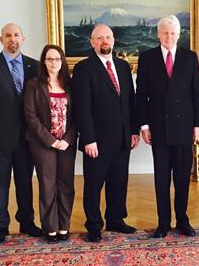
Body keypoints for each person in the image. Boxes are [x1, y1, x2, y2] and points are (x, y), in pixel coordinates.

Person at [0, 23, 43, 244]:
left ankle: (27, 222)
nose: (12, 39)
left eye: (16, 35)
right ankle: (1, 226)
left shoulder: (35, 66)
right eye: (7, 35)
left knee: (25, 183)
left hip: (27, 139)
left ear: (22, 38)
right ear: (0, 39)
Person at [136, 15, 199, 238]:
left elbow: (197, 95)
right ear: (158, 34)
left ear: (179, 34)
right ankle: (163, 223)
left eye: (173, 33)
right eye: (165, 33)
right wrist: (144, 125)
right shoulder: (147, 58)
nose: (169, 37)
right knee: (161, 179)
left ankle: (182, 220)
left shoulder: (190, 57)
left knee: (183, 178)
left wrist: (198, 126)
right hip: (159, 129)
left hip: (184, 130)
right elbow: (141, 96)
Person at [72, 24, 140, 242]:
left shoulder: (122, 66)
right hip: (97, 141)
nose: (105, 42)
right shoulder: (84, 69)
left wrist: (133, 131)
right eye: (99, 38)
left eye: (108, 37)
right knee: (94, 184)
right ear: (92, 42)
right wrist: (88, 139)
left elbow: (130, 102)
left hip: (122, 138)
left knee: (119, 182)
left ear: (113, 40)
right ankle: (93, 224)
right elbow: (81, 108)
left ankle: (116, 219)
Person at [24, 45, 77, 243]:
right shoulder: (34, 85)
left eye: (56, 58)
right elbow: (30, 116)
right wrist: (51, 140)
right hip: (42, 143)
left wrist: (67, 140)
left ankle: (64, 226)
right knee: (48, 185)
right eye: (49, 59)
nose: (53, 62)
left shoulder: (70, 85)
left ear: (62, 61)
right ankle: (51, 228)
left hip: (66, 144)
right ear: (43, 62)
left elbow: (78, 116)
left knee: (66, 185)